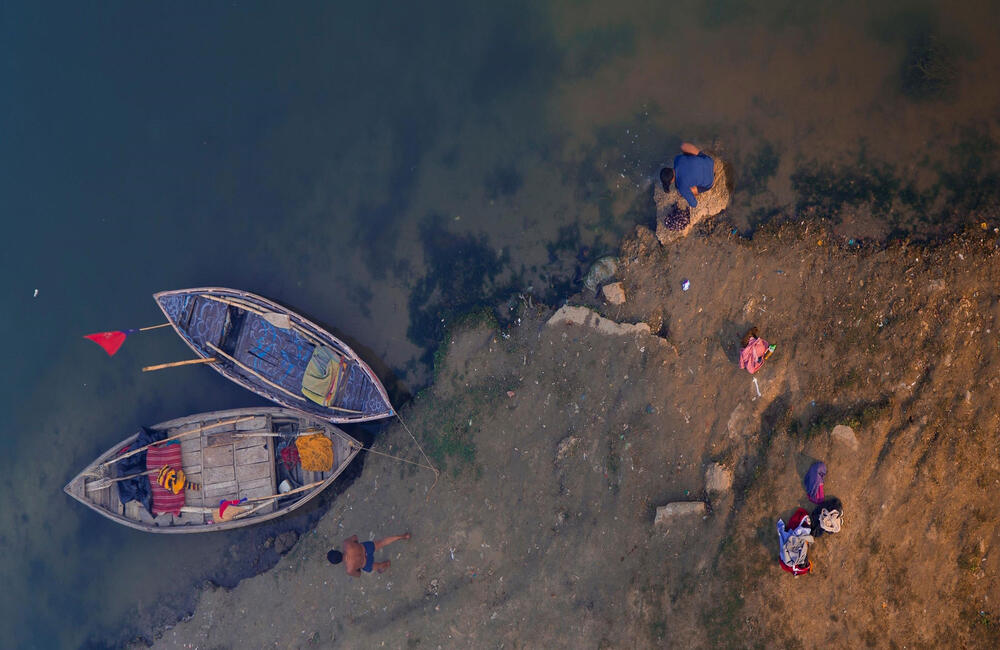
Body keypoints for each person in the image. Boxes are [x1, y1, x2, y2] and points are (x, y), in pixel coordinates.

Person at [327, 532, 411, 577]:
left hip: (366, 563)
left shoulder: (349, 569)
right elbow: (355, 537)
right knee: (382, 542)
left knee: (377, 566)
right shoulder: (346, 544)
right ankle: (403, 536)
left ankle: (386, 564)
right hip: (366, 547)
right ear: (337, 551)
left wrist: (358, 566)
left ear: (337, 563)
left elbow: (358, 574)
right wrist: (356, 546)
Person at [664, 142, 714, 209]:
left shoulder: (681, 186)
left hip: (710, 181)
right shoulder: (677, 159)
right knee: (683, 146)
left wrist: (686, 194)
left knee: (680, 193)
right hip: (709, 161)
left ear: (671, 181)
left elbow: (694, 204)